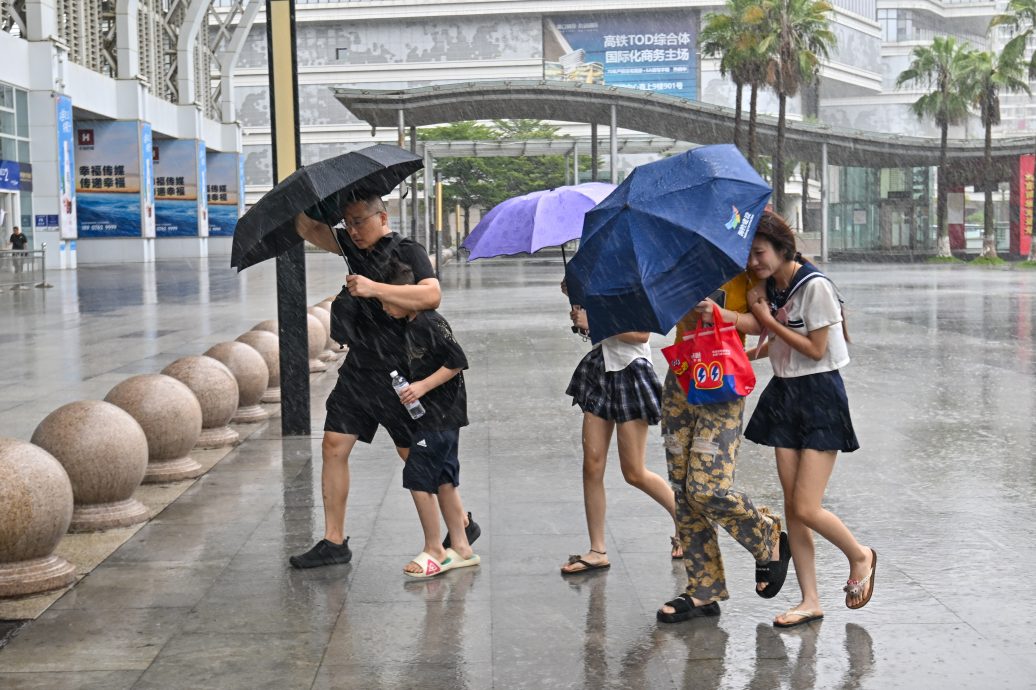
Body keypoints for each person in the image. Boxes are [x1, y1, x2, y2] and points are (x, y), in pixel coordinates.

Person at [289, 193, 478, 569]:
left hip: (401, 372)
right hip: (359, 368)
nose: (353, 229)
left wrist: (375, 289)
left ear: (383, 217)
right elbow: (308, 228)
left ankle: (461, 527)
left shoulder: (409, 250)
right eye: (348, 222)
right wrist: (316, 203)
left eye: (360, 220)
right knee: (333, 446)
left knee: (416, 457)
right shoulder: (349, 246)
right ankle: (334, 540)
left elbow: (432, 294)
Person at [743, 211, 876, 628]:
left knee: (806, 504)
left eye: (760, 253)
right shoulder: (770, 287)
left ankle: (860, 555)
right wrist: (746, 352)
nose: (754, 262)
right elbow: (782, 341)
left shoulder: (814, 286)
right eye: (749, 254)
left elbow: (816, 349)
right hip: (785, 393)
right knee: (792, 507)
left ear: (783, 248)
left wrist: (765, 321)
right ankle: (810, 599)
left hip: (819, 393)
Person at [655, 274, 791, 624]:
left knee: (706, 487)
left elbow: (765, 324)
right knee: (683, 489)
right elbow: (658, 316)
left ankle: (765, 530)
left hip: (722, 377)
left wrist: (720, 314)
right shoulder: (679, 262)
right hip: (682, 373)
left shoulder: (746, 268)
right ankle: (703, 588)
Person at [559, 299, 683, 575]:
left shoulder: (635, 282)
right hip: (600, 370)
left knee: (634, 471)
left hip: (631, 371)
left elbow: (641, 334)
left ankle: (686, 521)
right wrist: (581, 314)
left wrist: (596, 323)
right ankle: (597, 550)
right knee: (591, 465)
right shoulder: (598, 283)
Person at [381, 259, 480, 577]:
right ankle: (462, 547)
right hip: (442, 416)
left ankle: (434, 548)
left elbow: (457, 359)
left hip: (438, 416)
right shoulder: (412, 323)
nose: (385, 308)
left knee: (418, 479)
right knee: (445, 480)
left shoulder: (428, 322)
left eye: (387, 301)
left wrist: (421, 386)